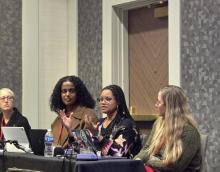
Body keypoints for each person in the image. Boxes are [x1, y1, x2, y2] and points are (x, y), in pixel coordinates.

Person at [60, 84, 141, 158]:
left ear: (118, 102)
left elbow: (118, 154)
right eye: (100, 99)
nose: (102, 102)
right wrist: (69, 130)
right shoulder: (100, 123)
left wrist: (97, 135)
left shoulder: (127, 125)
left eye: (108, 99)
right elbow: (83, 150)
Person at [134, 85, 201, 172]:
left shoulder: (190, 133)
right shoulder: (159, 123)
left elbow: (175, 167)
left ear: (170, 106)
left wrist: (149, 161)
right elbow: (147, 148)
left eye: (159, 102)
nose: (156, 105)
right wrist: (137, 161)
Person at [50, 75, 97, 148]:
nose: (67, 94)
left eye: (71, 91)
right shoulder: (58, 119)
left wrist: (70, 130)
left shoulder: (88, 115)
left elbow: (88, 147)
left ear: (79, 93)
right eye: (64, 91)